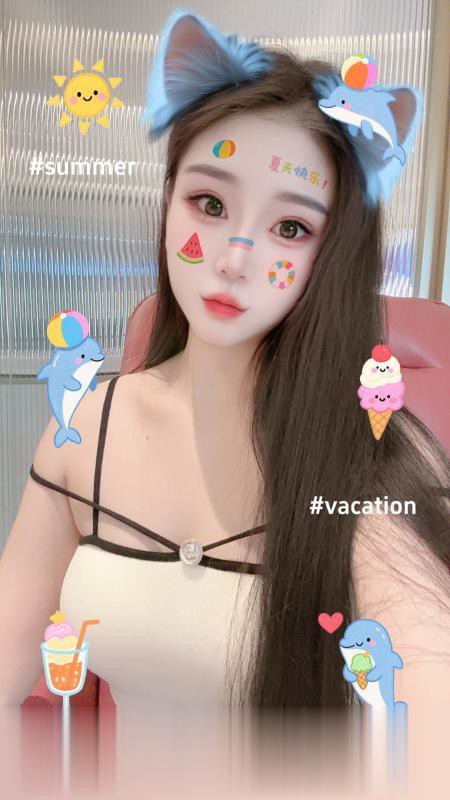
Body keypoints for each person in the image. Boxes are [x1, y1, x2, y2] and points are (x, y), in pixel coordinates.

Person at [0, 10, 448, 729]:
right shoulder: (83, 428)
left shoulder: (370, 459)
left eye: (290, 227)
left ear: (331, 255)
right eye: (208, 203)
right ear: (168, 201)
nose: (234, 258)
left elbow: (424, 691)